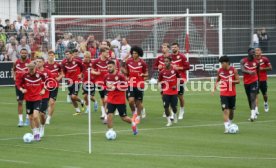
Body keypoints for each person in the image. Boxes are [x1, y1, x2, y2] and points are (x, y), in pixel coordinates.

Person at [104, 60, 138, 135]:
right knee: (109, 115)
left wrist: (115, 86)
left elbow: (126, 86)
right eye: (107, 67)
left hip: (120, 100)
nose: (108, 68)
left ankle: (133, 123)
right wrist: (107, 87)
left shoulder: (120, 76)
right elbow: (104, 85)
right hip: (111, 99)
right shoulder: (106, 76)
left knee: (123, 118)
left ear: (115, 67)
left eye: (110, 67)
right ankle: (110, 131)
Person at [18, 61, 46, 141]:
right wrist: (22, 89)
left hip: (37, 98)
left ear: (35, 68)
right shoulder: (24, 75)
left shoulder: (40, 75)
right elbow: (18, 84)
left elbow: (46, 82)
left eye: (32, 69)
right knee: (30, 117)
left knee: (35, 116)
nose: (31, 71)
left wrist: (43, 89)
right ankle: (34, 132)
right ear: (28, 69)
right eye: (29, 70)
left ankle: (37, 134)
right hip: (28, 99)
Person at [213, 56, 240, 133]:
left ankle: (230, 123)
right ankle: (226, 127)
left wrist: (230, 81)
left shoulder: (234, 70)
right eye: (221, 63)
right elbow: (218, 79)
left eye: (222, 63)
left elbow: (238, 81)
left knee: (231, 111)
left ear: (227, 62)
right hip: (223, 94)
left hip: (232, 94)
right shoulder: (220, 71)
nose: (221, 65)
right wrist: (214, 88)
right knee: (225, 110)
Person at [125, 46, 148, 124]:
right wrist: (126, 77)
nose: (133, 54)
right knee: (131, 101)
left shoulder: (142, 63)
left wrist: (143, 75)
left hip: (139, 85)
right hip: (131, 84)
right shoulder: (128, 61)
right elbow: (127, 72)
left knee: (138, 102)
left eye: (135, 53)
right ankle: (134, 113)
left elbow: (146, 74)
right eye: (133, 53)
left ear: (139, 54)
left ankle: (138, 116)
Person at [158, 57, 180, 126]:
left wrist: (176, 86)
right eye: (165, 61)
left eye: (167, 61)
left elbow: (179, 79)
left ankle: (175, 114)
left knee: (174, 107)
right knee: (166, 106)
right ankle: (169, 121)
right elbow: (159, 81)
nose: (165, 63)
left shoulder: (175, 70)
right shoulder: (162, 72)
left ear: (170, 62)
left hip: (174, 91)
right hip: (166, 91)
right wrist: (161, 91)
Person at [61, 50, 84, 115]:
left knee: (73, 96)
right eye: (65, 54)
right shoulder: (64, 62)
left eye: (68, 54)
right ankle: (78, 111)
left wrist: (81, 74)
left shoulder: (77, 61)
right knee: (72, 97)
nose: (66, 55)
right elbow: (63, 71)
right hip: (69, 81)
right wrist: (64, 75)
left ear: (71, 55)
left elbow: (83, 68)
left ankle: (81, 101)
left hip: (77, 81)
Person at [170, 42, 190, 120]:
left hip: (181, 79)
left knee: (180, 97)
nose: (173, 48)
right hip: (172, 79)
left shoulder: (182, 56)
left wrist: (178, 68)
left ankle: (182, 110)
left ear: (178, 48)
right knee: (172, 96)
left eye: (175, 47)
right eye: (172, 47)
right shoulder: (170, 57)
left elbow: (187, 67)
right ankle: (172, 113)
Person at [154, 43, 174, 118]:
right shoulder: (159, 58)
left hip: (171, 79)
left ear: (168, 49)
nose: (163, 49)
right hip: (162, 80)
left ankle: (171, 111)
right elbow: (155, 66)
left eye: (165, 47)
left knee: (171, 96)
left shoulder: (172, 57)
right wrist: (157, 67)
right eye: (162, 47)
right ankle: (166, 109)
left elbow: (175, 67)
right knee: (163, 96)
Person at [12, 48, 31, 126]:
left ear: (27, 54)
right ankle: (20, 120)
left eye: (25, 53)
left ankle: (27, 119)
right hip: (19, 85)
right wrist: (14, 77)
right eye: (22, 53)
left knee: (28, 102)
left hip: (27, 85)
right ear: (20, 53)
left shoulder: (30, 62)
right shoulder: (16, 62)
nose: (24, 54)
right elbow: (13, 70)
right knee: (20, 102)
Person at [44, 50, 63, 124]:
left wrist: (59, 78)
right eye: (50, 55)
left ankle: (48, 118)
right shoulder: (44, 65)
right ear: (47, 56)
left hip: (54, 86)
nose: (51, 56)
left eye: (52, 55)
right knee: (45, 103)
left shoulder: (57, 65)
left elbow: (62, 74)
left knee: (52, 102)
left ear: (54, 56)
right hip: (46, 86)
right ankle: (44, 113)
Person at [240, 48, 259, 122]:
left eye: (254, 52)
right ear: (248, 53)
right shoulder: (243, 61)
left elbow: (258, 71)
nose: (254, 53)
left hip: (254, 81)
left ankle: (252, 116)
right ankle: (253, 113)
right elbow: (242, 69)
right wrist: (249, 72)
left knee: (252, 97)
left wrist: (258, 81)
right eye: (252, 52)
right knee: (249, 99)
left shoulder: (257, 62)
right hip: (246, 82)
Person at [35, 57, 53, 137]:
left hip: (45, 95)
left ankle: (42, 127)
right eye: (37, 61)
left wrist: (44, 89)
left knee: (42, 114)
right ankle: (37, 130)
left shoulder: (48, 72)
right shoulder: (33, 71)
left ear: (43, 63)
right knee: (34, 115)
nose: (38, 63)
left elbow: (51, 82)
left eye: (40, 61)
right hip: (34, 96)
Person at [92, 46, 110, 120]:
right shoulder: (96, 61)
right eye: (106, 52)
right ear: (102, 53)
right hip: (99, 83)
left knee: (106, 99)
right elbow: (92, 70)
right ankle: (103, 113)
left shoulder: (109, 61)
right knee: (102, 99)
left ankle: (106, 114)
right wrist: (96, 73)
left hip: (108, 83)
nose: (108, 53)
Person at [254, 47, 272, 113]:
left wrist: (263, 69)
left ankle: (266, 103)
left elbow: (270, 68)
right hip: (255, 80)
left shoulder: (265, 59)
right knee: (255, 94)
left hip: (263, 79)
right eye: (255, 50)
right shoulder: (253, 60)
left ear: (261, 51)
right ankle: (256, 110)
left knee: (264, 94)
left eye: (258, 50)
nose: (257, 51)